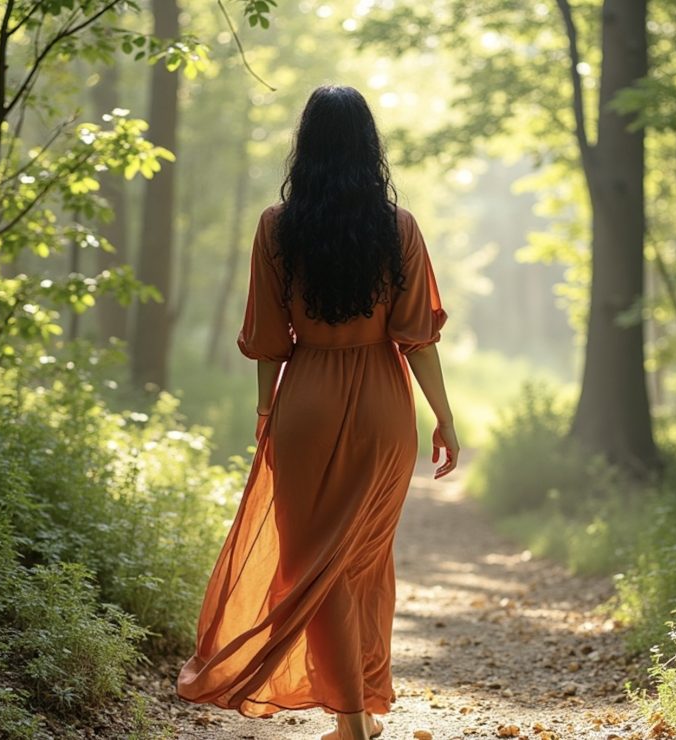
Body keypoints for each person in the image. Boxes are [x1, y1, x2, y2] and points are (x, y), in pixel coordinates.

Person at [175, 84, 460, 740]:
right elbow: (416, 336)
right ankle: (354, 713)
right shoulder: (399, 228)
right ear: (369, 146)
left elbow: (269, 338)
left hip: (306, 401)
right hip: (387, 410)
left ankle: (352, 719)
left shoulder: (279, 227)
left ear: (305, 146)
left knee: (313, 564)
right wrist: (442, 416)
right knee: (360, 561)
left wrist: (265, 409)